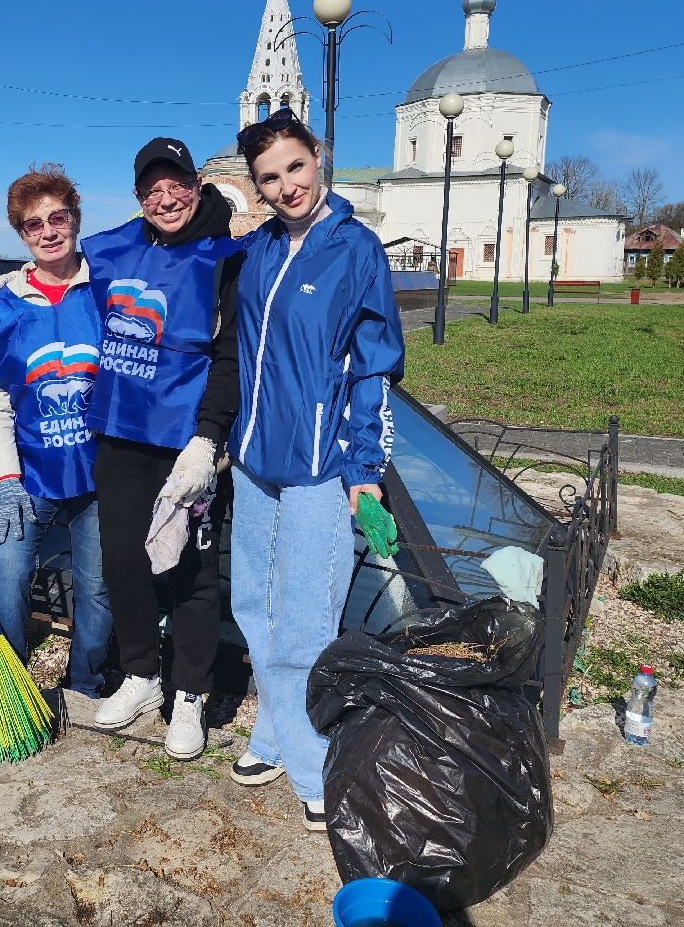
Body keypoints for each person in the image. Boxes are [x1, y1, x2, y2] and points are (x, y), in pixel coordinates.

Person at [226, 108, 404, 831]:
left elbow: (375, 366)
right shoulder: (261, 247)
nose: (286, 186)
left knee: (304, 622)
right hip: (253, 461)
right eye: (269, 178)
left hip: (317, 465)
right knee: (255, 610)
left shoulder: (356, 249)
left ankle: (310, 765)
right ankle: (274, 735)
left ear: (319, 156)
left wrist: (364, 467)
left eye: (295, 167)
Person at [82, 137, 243, 760]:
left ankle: (190, 695)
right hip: (122, 431)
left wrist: (209, 438)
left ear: (196, 187)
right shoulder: (122, 244)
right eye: (152, 189)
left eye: (176, 184)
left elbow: (231, 355)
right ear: (138, 198)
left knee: (192, 573)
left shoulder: (225, 256)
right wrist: (17, 281)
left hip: (186, 442)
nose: (165, 197)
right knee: (124, 561)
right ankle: (141, 674)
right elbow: (65, 272)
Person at [0, 164, 111, 707]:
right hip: (29, 471)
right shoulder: (3, 304)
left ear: (75, 219)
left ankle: (84, 685)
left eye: (59, 218)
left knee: (96, 585)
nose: (49, 231)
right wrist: (4, 477)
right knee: (5, 572)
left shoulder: (105, 290)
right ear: (21, 234)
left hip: (99, 471)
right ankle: (8, 689)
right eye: (34, 225)